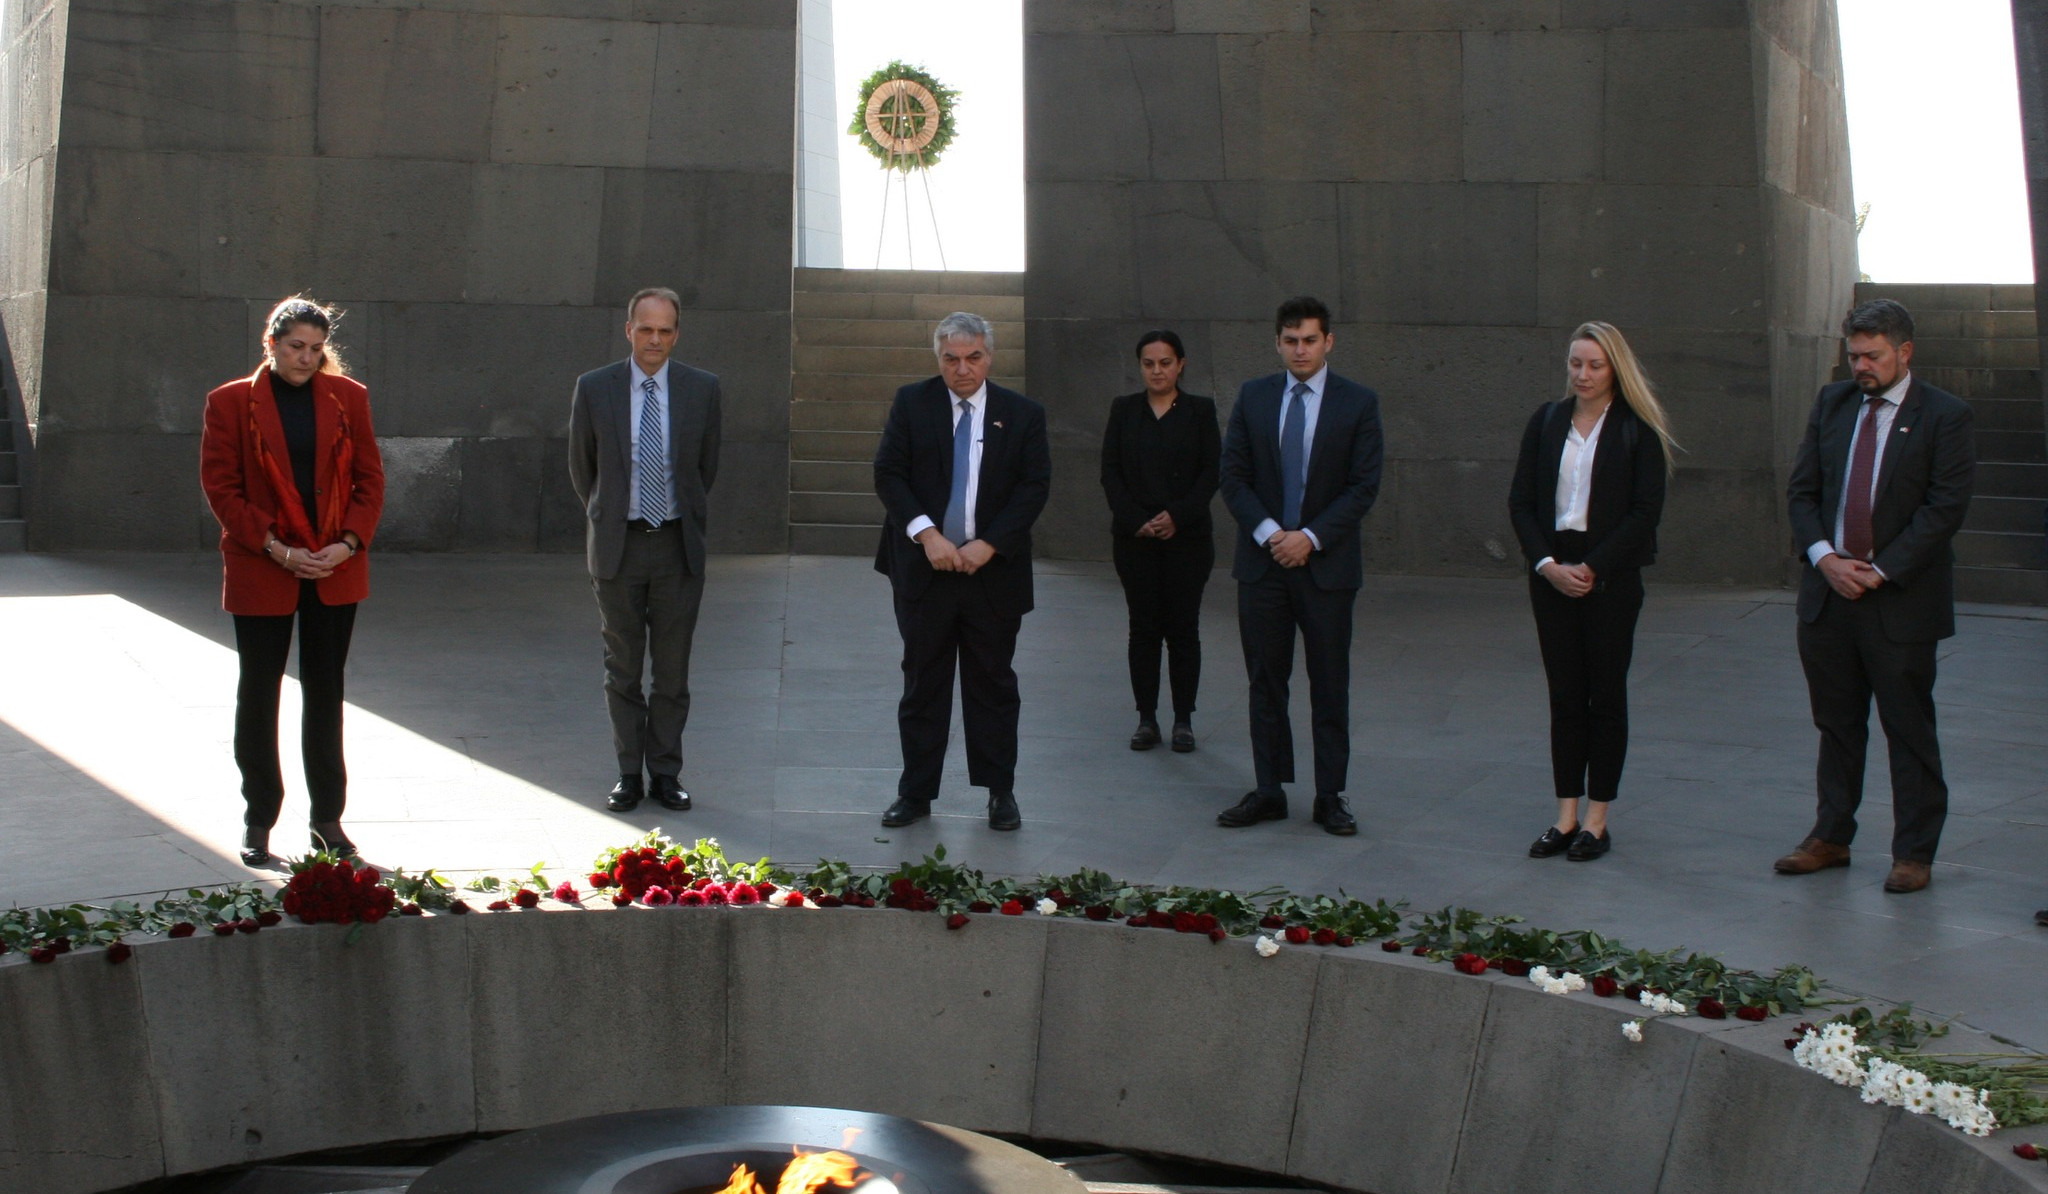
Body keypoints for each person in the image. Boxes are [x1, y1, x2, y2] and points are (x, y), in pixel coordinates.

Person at [1778, 299, 1974, 894]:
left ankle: (1914, 851)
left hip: (1899, 602)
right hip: (1829, 596)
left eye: (1872, 355)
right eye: (1853, 354)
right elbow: (1802, 492)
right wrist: (1826, 559)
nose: (1860, 365)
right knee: (1837, 724)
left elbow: (1944, 509)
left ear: (1904, 352)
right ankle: (1831, 835)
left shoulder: (1945, 415)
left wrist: (1881, 571)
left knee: (1908, 728)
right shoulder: (1832, 404)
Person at [200, 296, 385, 865]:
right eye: (294, 347)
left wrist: (346, 543)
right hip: (264, 566)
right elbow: (222, 489)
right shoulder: (229, 402)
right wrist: (278, 549)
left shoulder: (349, 398)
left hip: (334, 565)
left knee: (326, 692)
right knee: (258, 693)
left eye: (315, 348)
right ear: (271, 344)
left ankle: (327, 820)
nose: (305, 358)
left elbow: (369, 480)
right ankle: (259, 819)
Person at [873, 312, 1051, 831]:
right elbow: (889, 472)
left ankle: (1000, 793)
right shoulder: (913, 402)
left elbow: (1034, 486)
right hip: (925, 570)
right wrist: (927, 534)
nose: (962, 369)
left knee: (992, 684)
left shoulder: (1022, 414)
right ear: (939, 359)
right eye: (951, 358)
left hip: (992, 575)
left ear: (989, 358)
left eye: (973, 357)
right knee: (923, 682)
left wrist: (989, 544)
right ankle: (916, 793)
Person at [1507, 322, 1677, 862]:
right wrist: (1547, 565)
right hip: (1552, 575)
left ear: (1615, 369)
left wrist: (1593, 567)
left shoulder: (1637, 429)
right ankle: (1565, 816)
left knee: (1604, 696)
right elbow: (1521, 503)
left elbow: (1644, 513)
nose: (1583, 374)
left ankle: (1597, 822)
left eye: (1595, 365)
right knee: (1564, 696)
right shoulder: (1547, 420)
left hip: (1611, 580)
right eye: (1576, 363)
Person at [1216, 296, 1383, 836]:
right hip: (1263, 566)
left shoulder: (1357, 403)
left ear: (1328, 342)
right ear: (1278, 342)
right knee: (1266, 681)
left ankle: (1330, 795)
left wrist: (1309, 538)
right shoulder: (1254, 397)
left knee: (1329, 683)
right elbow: (1234, 477)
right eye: (1290, 340)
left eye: (1310, 340)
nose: (1300, 350)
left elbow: (1363, 486)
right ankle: (1269, 789)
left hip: (1326, 568)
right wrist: (1272, 536)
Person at [568, 287, 723, 815]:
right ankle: (628, 775)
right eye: (645, 328)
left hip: (678, 547)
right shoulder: (595, 388)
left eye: (665, 330)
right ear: (628, 329)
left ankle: (667, 774)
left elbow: (705, 467)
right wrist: (610, 516)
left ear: (676, 334)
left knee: (673, 672)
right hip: (619, 547)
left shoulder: (702, 389)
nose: (654, 339)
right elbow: (582, 469)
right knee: (624, 668)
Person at [1100, 330, 1221, 752]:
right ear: (1140, 367)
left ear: (1181, 364)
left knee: (1184, 629)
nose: (1157, 371)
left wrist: (1178, 516)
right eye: (1149, 364)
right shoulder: (1124, 410)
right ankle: (1146, 718)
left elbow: (1211, 473)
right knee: (1143, 628)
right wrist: (1137, 521)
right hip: (1136, 540)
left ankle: (1183, 719)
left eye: (1165, 363)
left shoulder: (1200, 412)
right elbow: (1110, 473)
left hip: (1187, 540)